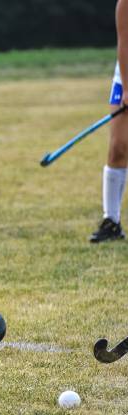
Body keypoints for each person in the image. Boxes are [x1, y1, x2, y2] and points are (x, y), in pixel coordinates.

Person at [90, 0, 128, 243]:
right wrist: (127, 87)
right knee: (119, 146)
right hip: (126, 74)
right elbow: (125, 41)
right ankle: (111, 221)